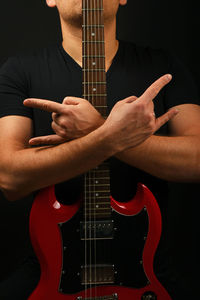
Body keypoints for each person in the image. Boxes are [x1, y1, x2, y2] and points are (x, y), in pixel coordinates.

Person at [0, 0, 199, 299]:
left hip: (148, 270)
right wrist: (107, 136)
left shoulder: (162, 65)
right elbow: (9, 177)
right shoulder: (19, 70)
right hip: (49, 269)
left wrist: (96, 128)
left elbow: (196, 161)